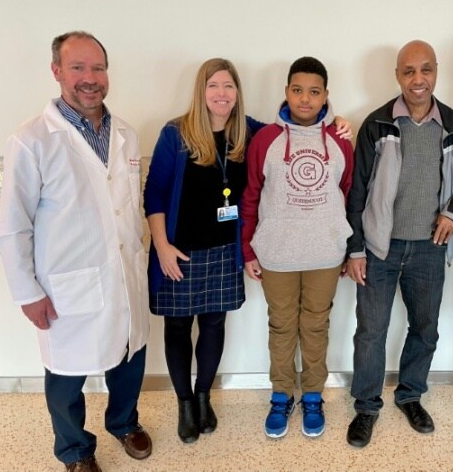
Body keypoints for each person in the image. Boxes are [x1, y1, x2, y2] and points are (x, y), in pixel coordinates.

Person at [143, 58, 352, 444]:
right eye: (213, 86)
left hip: (223, 250)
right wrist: (162, 246)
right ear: (200, 91)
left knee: (213, 326)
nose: (221, 94)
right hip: (180, 250)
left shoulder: (249, 133)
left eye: (228, 87)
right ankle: (186, 404)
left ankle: (204, 398)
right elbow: (154, 192)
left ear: (237, 93)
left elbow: (297, 134)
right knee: (177, 327)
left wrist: (339, 124)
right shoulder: (176, 134)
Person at [0, 31, 151, 472]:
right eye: (78, 68)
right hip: (65, 285)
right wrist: (27, 293)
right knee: (66, 377)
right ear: (57, 72)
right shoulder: (32, 140)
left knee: (129, 356)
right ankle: (75, 450)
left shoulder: (126, 134)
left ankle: (124, 422)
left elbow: (128, 205)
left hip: (124, 273)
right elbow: (12, 226)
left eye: (98, 68)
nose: (90, 78)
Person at [345, 40, 453, 447]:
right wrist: (354, 248)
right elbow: (357, 190)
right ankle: (367, 407)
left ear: (436, 71)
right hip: (378, 249)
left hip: (429, 249)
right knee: (371, 332)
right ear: (397, 75)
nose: (417, 79)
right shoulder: (377, 124)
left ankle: (410, 396)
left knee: (425, 329)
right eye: (408, 71)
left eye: (425, 70)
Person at [241, 56, 354, 439]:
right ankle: (280, 395)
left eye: (314, 92)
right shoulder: (265, 141)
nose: (305, 99)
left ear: (325, 96)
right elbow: (252, 196)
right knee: (282, 326)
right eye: (297, 90)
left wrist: (343, 242)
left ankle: (312, 396)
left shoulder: (340, 141)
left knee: (316, 326)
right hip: (277, 254)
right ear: (286, 91)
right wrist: (248, 250)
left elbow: (347, 192)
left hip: (324, 253)